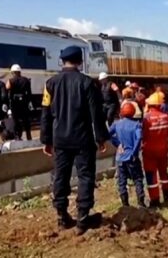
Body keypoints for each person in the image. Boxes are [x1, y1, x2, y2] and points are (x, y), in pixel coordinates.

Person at [41, 45, 110, 235]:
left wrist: (46, 140)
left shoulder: (50, 83)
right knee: (85, 176)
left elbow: (45, 114)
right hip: (83, 140)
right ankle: (82, 218)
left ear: (62, 61)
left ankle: (62, 216)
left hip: (60, 140)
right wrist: (101, 137)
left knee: (60, 176)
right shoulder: (88, 83)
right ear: (80, 62)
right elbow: (96, 114)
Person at [109, 103, 146, 208]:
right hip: (132, 157)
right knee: (138, 178)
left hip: (120, 157)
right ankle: (141, 203)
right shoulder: (136, 125)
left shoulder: (116, 124)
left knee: (122, 181)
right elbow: (139, 138)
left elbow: (107, 134)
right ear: (133, 112)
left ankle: (125, 205)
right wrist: (135, 152)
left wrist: (117, 143)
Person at [142, 92, 168, 208]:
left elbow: (143, 134)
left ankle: (155, 201)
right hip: (163, 149)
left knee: (151, 175)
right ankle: (167, 195)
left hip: (149, 151)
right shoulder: (167, 116)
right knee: (163, 172)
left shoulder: (147, 118)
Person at [6, 64, 33, 141]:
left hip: (15, 103)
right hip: (24, 102)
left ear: (13, 72)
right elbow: (29, 92)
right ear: (19, 72)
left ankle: (18, 136)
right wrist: (29, 102)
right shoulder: (26, 80)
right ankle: (29, 136)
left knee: (16, 120)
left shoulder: (11, 80)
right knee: (26, 120)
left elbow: (7, 88)